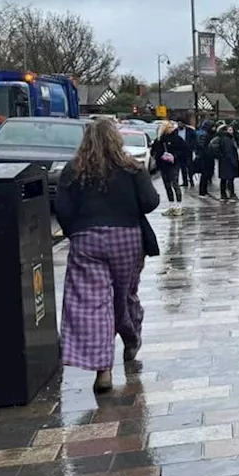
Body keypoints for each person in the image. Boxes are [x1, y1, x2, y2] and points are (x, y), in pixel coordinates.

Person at [54, 119, 159, 393]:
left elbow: (62, 208)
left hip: (87, 239)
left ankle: (104, 369)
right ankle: (131, 336)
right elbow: (150, 202)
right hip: (126, 238)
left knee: (92, 303)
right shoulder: (131, 167)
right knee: (124, 296)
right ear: (116, 139)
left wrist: (75, 231)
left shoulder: (74, 169)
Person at [150, 121, 187, 215]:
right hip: (163, 165)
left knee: (175, 183)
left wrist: (174, 156)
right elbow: (153, 151)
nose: (171, 129)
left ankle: (179, 206)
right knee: (167, 185)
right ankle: (171, 205)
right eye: (169, 127)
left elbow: (184, 150)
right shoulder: (159, 140)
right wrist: (160, 156)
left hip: (174, 164)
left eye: (171, 127)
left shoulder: (177, 139)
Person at [211, 124, 239, 201]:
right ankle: (231, 195)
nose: (232, 131)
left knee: (224, 179)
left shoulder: (224, 138)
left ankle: (223, 195)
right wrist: (233, 162)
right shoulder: (227, 139)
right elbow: (229, 152)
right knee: (229, 179)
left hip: (224, 162)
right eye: (230, 130)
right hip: (228, 162)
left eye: (232, 130)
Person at [194, 120, 216, 198]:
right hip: (204, 157)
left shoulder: (201, 132)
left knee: (205, 175)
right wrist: (208, 153)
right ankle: (202, 192)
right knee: (205, 174)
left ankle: (204, 191)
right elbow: (203, 146)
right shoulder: (204, 134)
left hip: (203, 156)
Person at [175, 122, 196, 188]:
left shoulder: (190, 131)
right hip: (180, 151)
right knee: (182, 167)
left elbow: (194, 139)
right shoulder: (176, 131)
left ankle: (191, 180)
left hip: (188, 151)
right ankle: (185, 182)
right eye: (178, 123)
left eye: (181, 123)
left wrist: (191, 147)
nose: (179, 125)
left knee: (189, 166)